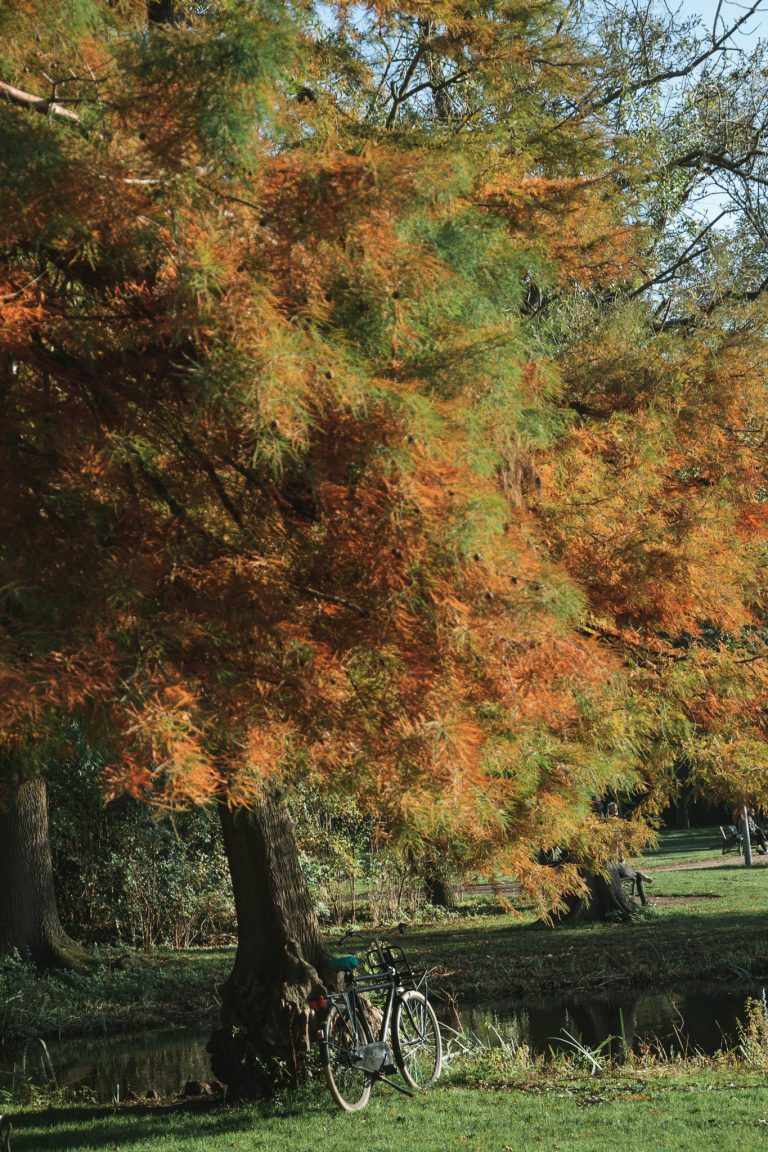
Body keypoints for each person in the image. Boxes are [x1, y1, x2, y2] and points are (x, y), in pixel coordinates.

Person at [605, 803, 654, 906]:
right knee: (637, 877)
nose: (616, 812)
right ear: (609, 811)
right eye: (614, 810)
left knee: (633, 875)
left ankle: (638, 873)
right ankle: (644, 901)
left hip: (618, 863)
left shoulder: (614, 825)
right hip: (615, 865)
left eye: (616, 809)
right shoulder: (610, 826)